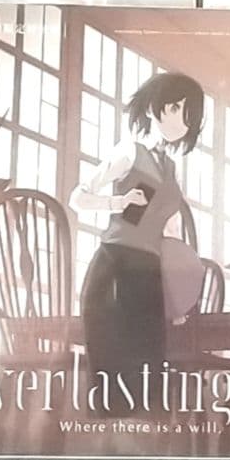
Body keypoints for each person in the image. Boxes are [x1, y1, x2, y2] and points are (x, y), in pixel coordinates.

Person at [68, 72, 205, 415]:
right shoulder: (129, 151)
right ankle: (110, 424)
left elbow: (172, 236)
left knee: (149, 357)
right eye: (176, 109)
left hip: (149, 271)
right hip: (114, 264)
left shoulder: (170, 168)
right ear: (159, 108)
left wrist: (178, 295)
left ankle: (140, 428)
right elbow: (78, 198)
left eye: (188, 116)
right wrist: (118, 202)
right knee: (115, 352)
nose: (181, 121)